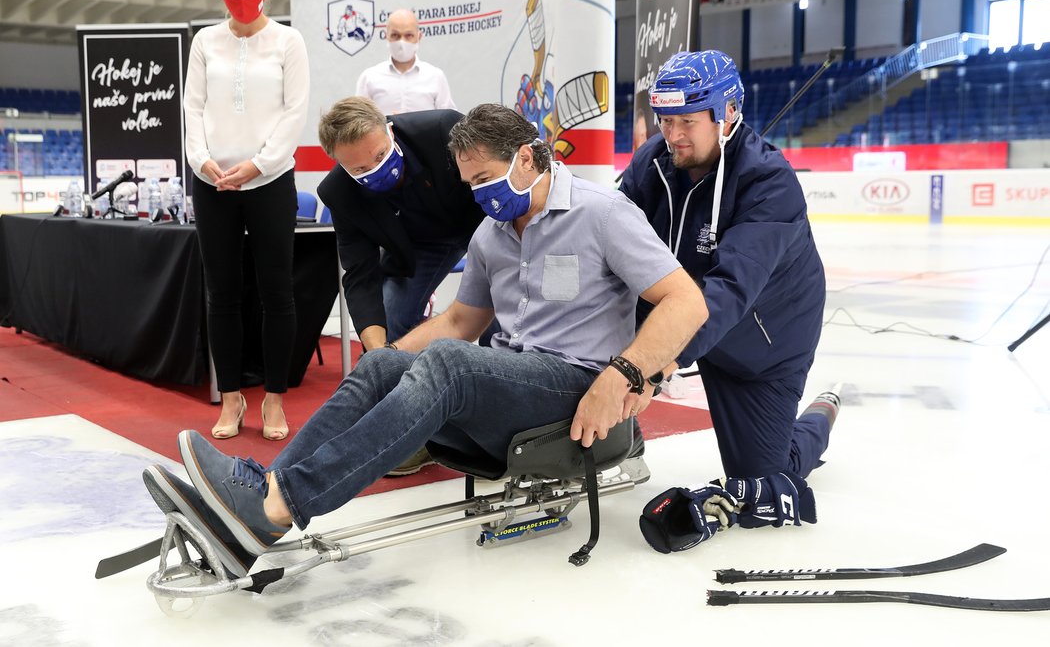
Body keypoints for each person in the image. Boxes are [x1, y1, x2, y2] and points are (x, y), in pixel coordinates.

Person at [149, 103, 708, 569]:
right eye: (471, 185)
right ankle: (262, 494)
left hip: (580, 387)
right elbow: (462, 322)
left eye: (487, 178)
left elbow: (687, 302)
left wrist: (628, 373)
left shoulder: (602, 213)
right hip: (517, 384)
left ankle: (278, 506)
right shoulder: (491, 235)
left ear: (530, 157)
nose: (481, 195)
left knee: (449, 364)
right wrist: (387, 356)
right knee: (380, 365)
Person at [622, 50, 841, 553]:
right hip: (685, 321)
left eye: (687, 122)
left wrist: (651, 369)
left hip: (763, 344)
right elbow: (612, 242)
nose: (672, 134)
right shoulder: (652, 163)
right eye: (665, 120)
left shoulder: (771, 183)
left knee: (765, 477)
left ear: (728, 114)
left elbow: (730, 291)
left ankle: (819, 418)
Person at [315, 96, 484, 475]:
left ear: (390, 130)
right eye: (360, 168)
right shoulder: (339, 192)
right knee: (387, 325)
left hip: (482, 222)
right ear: (341, 165)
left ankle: (491, 429)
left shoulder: (445, 129)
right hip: (419, 248)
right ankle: (408, 432)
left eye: (380, 155)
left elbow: (492, 181)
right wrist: (379, 356)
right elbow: (359, 273)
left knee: (503, 319)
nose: (376, 169)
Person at [183, 0, 309, 441]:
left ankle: (274, 399)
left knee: (277, 293)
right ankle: (232, 396)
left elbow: (294, 112)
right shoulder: (205, 43)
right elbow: (193, 109)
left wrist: (257, 164)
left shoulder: (288, 42)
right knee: (222, 294)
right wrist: (202, 160)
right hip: (213, 182)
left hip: (271, 180)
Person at [355, 8, 456, 115]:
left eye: (409, 35)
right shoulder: (369, 78)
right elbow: (358, 121)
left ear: (419, 37)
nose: (402, 42)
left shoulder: (436, 77)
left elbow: (449, 122)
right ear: (386, 36)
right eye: (395, 35)